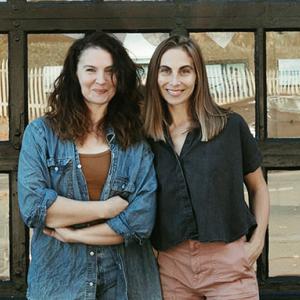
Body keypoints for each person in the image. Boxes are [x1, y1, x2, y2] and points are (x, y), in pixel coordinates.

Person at [18, 32, 162, 300]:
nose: (101, 80)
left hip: (126, 282)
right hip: (61, 280)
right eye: (91, 70)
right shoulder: (41, 135)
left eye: (110, 71)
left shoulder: (134, 141)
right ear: (75, 75)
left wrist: (73, 234)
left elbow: (140, 222)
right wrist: (106, 209)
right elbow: (34, 208)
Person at [143, 35, 270, 300]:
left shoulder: (230, 126)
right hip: (172, 270)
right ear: (155, 77)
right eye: (166, 71)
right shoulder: (146, 137)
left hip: (228, 264)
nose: (174, 81)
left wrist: (256, 242)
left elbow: (258, 188)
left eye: (185, 71)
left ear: (198, 76)